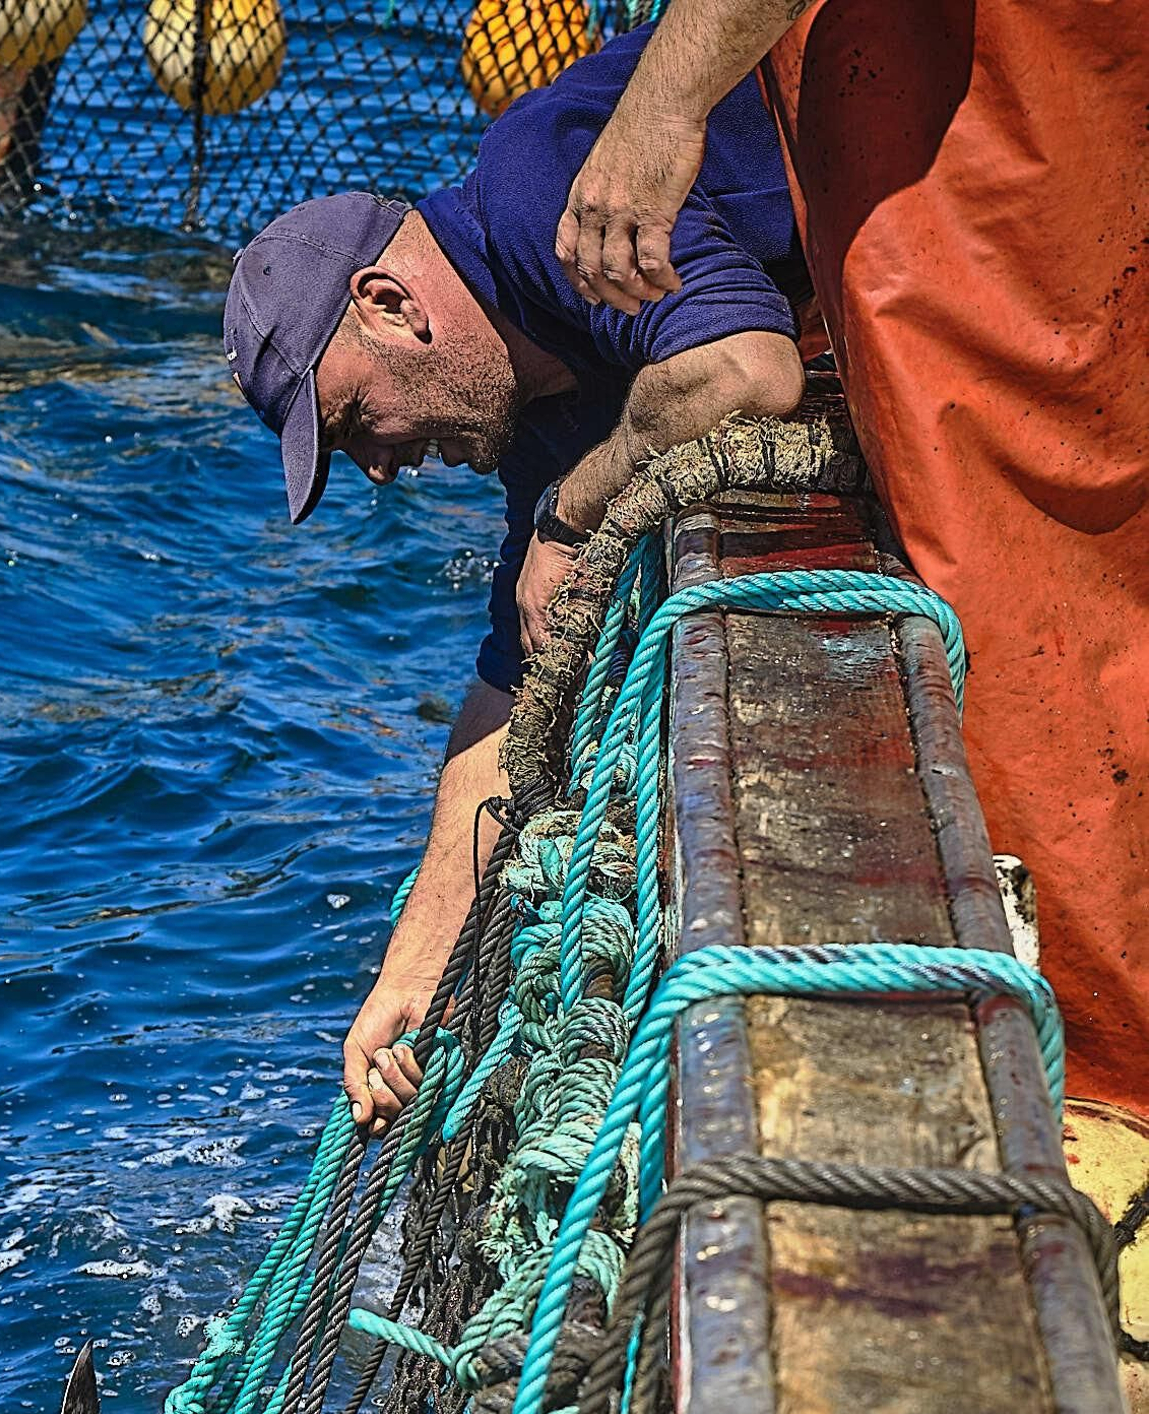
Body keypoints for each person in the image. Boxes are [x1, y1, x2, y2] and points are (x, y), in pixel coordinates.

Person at [557, 0, 1149, 1140]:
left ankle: (1096, 1074)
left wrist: (659, 110)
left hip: (980, 147)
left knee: (1022, 541)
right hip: (995, 118)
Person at [224, 26, 807, 1134]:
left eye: (355, 424)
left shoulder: (539, 183)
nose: (384, 468)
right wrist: (411, 974)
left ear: (391, 301)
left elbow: (745, 371)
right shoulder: (534, 405)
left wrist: (573, 510)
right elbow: (509, 698)